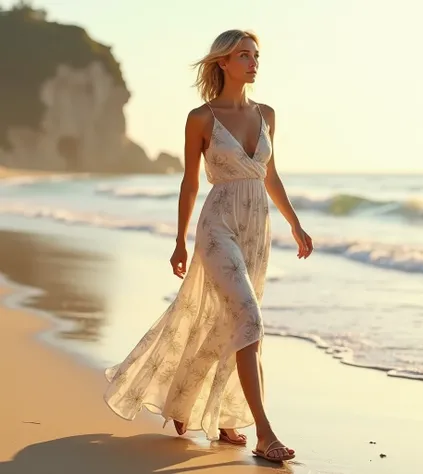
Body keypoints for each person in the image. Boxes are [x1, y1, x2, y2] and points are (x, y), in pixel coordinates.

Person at [104, 29, 313, 463]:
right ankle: (265, 432)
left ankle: (201, 409)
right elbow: (190, 181)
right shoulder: (201, 118)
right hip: (218, 225)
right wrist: (180, 240)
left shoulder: (267, 114)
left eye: (256, 55)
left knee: (228, 323)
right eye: (243, 55)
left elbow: (270, 176)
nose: (253, 62)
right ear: (223, 62)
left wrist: (296, 224)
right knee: (249, 320)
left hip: (258, 226)